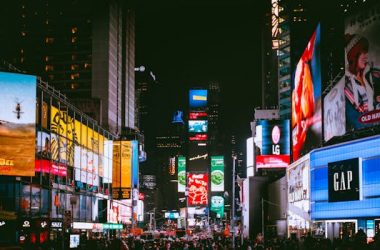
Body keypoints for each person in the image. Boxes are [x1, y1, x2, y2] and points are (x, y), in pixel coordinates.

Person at [344, 33, 380, 129]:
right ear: (353, 56)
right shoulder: (346, 87)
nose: (366, 56)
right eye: (362, 52)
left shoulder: (372, 75)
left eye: (366, 52)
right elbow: (355, 120)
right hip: (366, 134)